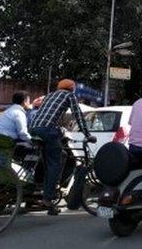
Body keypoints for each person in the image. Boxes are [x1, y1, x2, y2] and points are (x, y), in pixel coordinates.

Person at [28, 79, 93, 215]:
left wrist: (61, 130)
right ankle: (48, 196)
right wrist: (87, 134)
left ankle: (43, 188)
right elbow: (78, 116)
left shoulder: (50, 95)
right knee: (57, 160)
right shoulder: (69, 96)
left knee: (51, 158)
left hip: (34, 129)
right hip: (48, 131)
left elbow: (48, 116)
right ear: (72, 89)